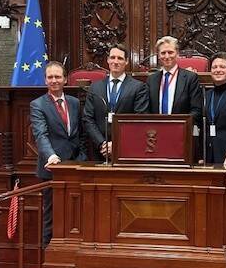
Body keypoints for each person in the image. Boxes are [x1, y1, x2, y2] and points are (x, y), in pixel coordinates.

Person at [30, 61, 86, 247]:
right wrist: (51, 156)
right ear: (45, 80)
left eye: (58, 77)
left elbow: (79, 133)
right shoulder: (37, 105)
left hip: (75, 167)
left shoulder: (74, 102)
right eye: (50, 77)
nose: (54, 80)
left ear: (65, 80)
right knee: (51, 216)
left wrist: (82, 158)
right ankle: (48, 255)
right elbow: (40, 134)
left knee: (75, 214)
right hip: (52, 168)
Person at [83, 43, 149, 161]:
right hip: (98, 150)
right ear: (108, 60)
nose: (115, 61)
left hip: (127, 149)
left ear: (127, 61)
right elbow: (88, 119)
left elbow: (139, 119)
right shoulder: (95, 87)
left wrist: (117, 144)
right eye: (112, 57)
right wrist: (102, 143)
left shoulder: (138, 87)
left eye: (120, 58)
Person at [147, 36, 203, 127]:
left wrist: (181, 125)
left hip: (181, 130)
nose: (167, 56)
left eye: (170, 52)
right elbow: (147, 109)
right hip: (155, 131)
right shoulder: (151, 80)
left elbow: (196, 110)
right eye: (163, 53)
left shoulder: (190, 78)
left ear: (177, 54)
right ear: (158, 55)